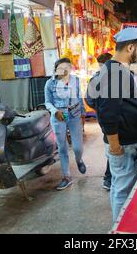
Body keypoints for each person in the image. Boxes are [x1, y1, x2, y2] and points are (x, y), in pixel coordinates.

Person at [91, 27, 137, 222]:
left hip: (124, 140)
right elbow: (108, 114)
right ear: (130, 47)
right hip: (123, 143)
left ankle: (118, 223)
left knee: (120, 186)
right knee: (124, 189)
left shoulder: (110, 70)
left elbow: (93, 100)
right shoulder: (117, 73)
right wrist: (115, 145)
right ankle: (121, 229)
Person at [44, 58, 87, 190]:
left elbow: (79, 96)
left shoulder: (75, 80)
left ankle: (79, 160)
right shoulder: (50, 84)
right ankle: (66, 177)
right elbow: (47, 102)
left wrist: (83, 112)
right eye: (61, 67)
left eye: (66, 67)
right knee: (62, 148)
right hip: (59, 117)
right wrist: (55, 111)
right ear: (56, 69)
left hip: (74, 115)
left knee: (78, 147)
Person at [86, 52, 113, 191]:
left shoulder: (96, 78)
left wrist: (98, 108)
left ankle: (109, 178)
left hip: (103, 118)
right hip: (110, 118)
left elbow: (89, 99)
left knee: (110, 144)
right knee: (112, 145)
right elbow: (89, 99)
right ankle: (108, 178)